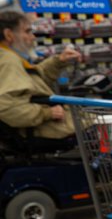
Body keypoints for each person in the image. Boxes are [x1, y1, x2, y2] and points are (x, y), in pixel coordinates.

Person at [0, 11, 81, 146]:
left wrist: (58, 61)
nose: (33, 37)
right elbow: (6, 106)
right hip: (45, 130)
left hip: (40, 128)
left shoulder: (8, 57)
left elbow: (33, 80)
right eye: (27, 31)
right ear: (9, 34)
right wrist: (47, 113)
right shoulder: (8, 61)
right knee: (109, 122)